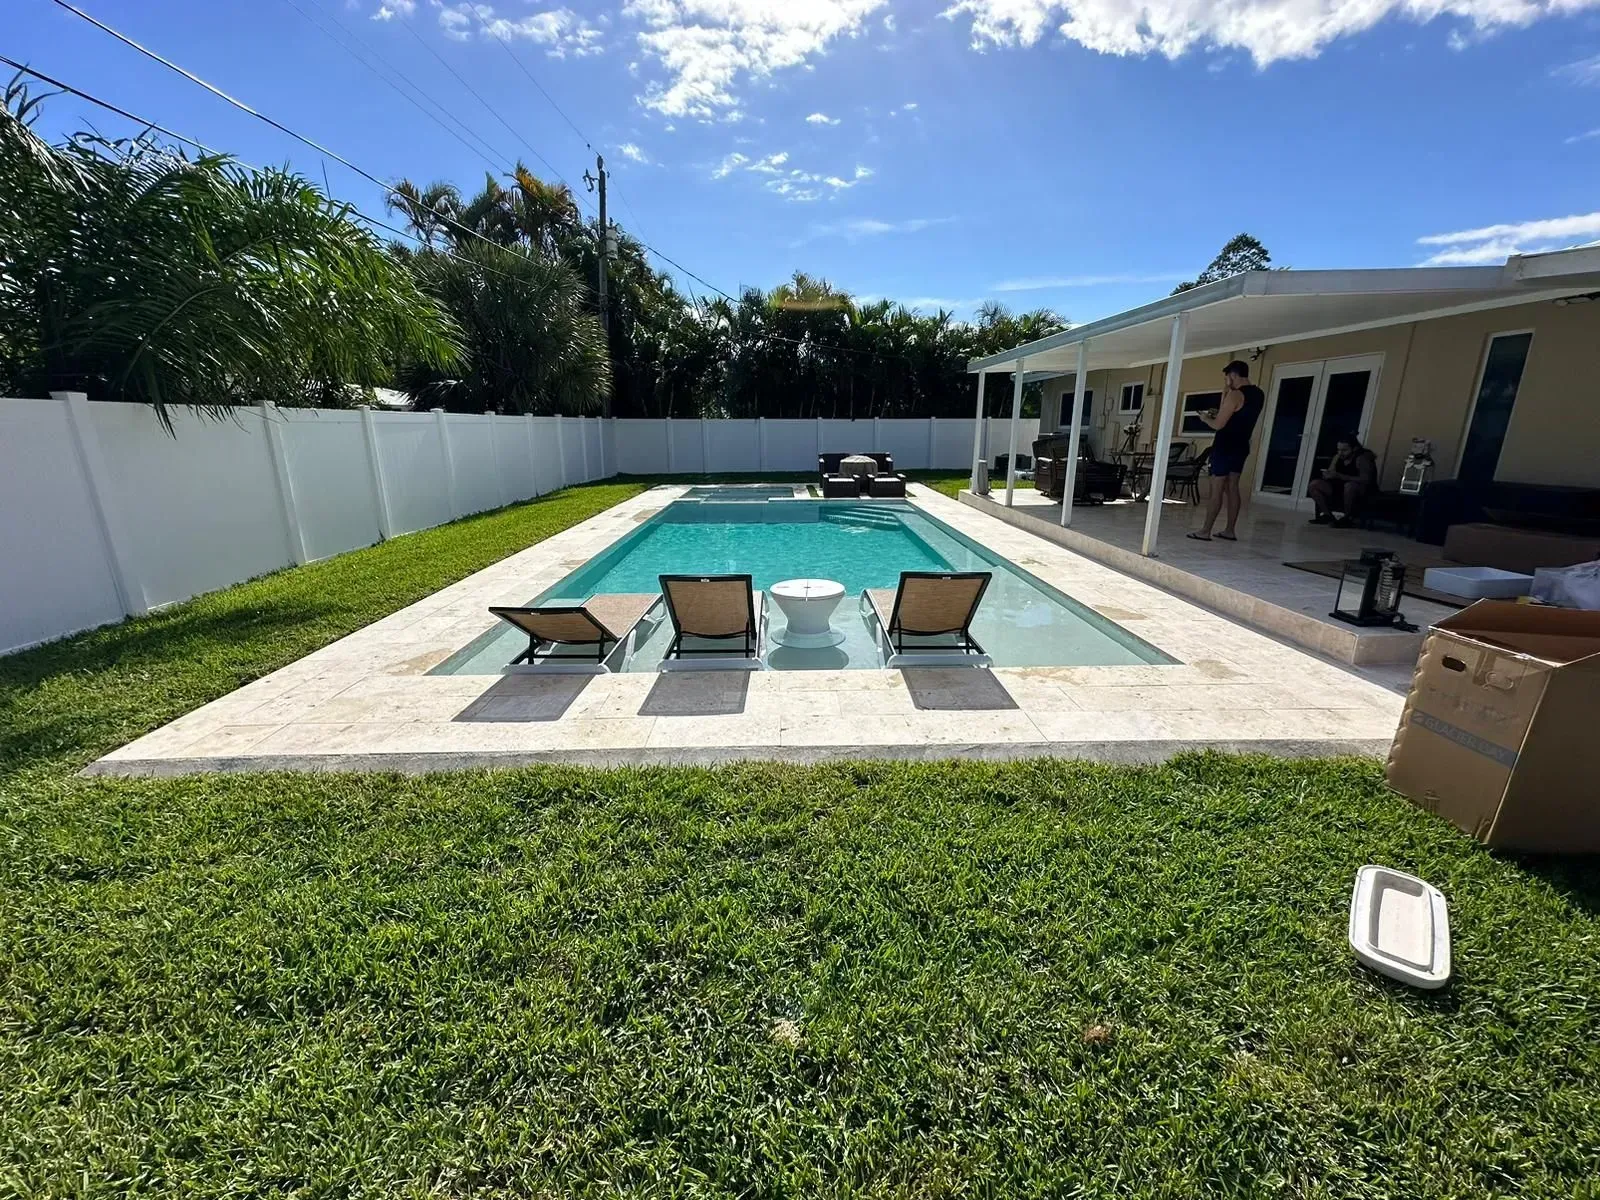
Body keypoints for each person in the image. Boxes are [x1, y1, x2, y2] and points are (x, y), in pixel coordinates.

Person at [1188, 360, 1264, 542]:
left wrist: (1205, 418)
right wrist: (1224, 398)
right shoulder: (1258, 394)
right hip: (1241, 445)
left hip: (1225, 446)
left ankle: (1205, 531)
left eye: (1227, 378)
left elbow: (1218, 425)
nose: (1226, 381)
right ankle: (1230, 530)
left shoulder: (1236, 395)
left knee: (1217, 486)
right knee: (1233, 486)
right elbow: (1236, 416)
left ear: (1233, 375)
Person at [1308, 434, 1378, 527]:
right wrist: (1328, 475)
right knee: (1314, 484)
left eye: (1344, 450)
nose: (1340, 453)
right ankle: (1328, 515)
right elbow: (1331, 471)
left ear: (1354, 449)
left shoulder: (1362, 458)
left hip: (1359, 489)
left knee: (1349, 486)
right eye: (1339, 449)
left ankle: (1348, 518)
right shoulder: (1338, 457)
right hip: (1339, 487)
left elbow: (1366, 479)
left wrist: (1341, 476)